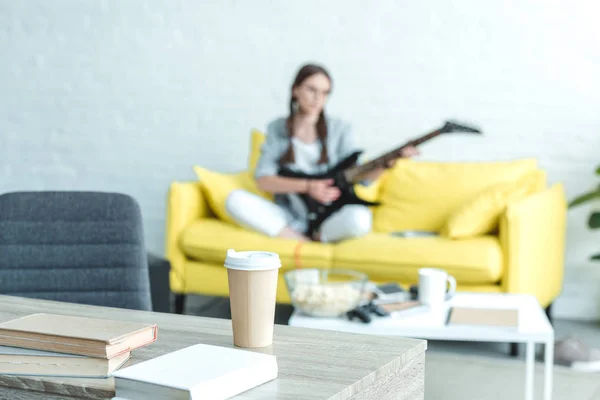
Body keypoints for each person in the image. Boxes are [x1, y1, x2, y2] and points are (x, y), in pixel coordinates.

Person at [226, 63, 419, 243]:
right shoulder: (278, 129)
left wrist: (388, 162)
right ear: (296, 90)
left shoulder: (340, 129)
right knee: (235, 200)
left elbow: (361, 177)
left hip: (330, 215)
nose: (317, 98)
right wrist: (309, 187)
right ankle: (300, 242)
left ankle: (318, 237)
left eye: (325, 93)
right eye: (311, 90)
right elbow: (263, 181)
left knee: (360, 219)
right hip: (291, 214)